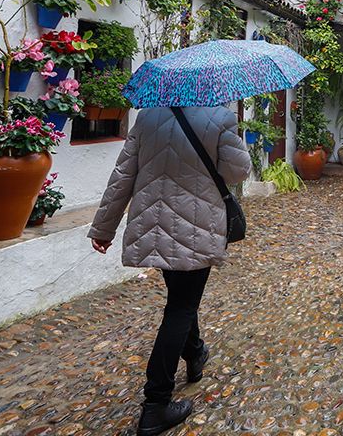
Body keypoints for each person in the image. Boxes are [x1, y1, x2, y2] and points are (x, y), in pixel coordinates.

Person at [89, 105, 252, 436]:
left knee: (180, 298)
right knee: (181, 306)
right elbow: (238, 172)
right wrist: (234, 139)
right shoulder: (221, 118)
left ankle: (194, 352)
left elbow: (124, 173)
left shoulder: (148, 117)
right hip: (196, 227)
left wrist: (103, 227)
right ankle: (155, 404)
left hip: (154, 227)